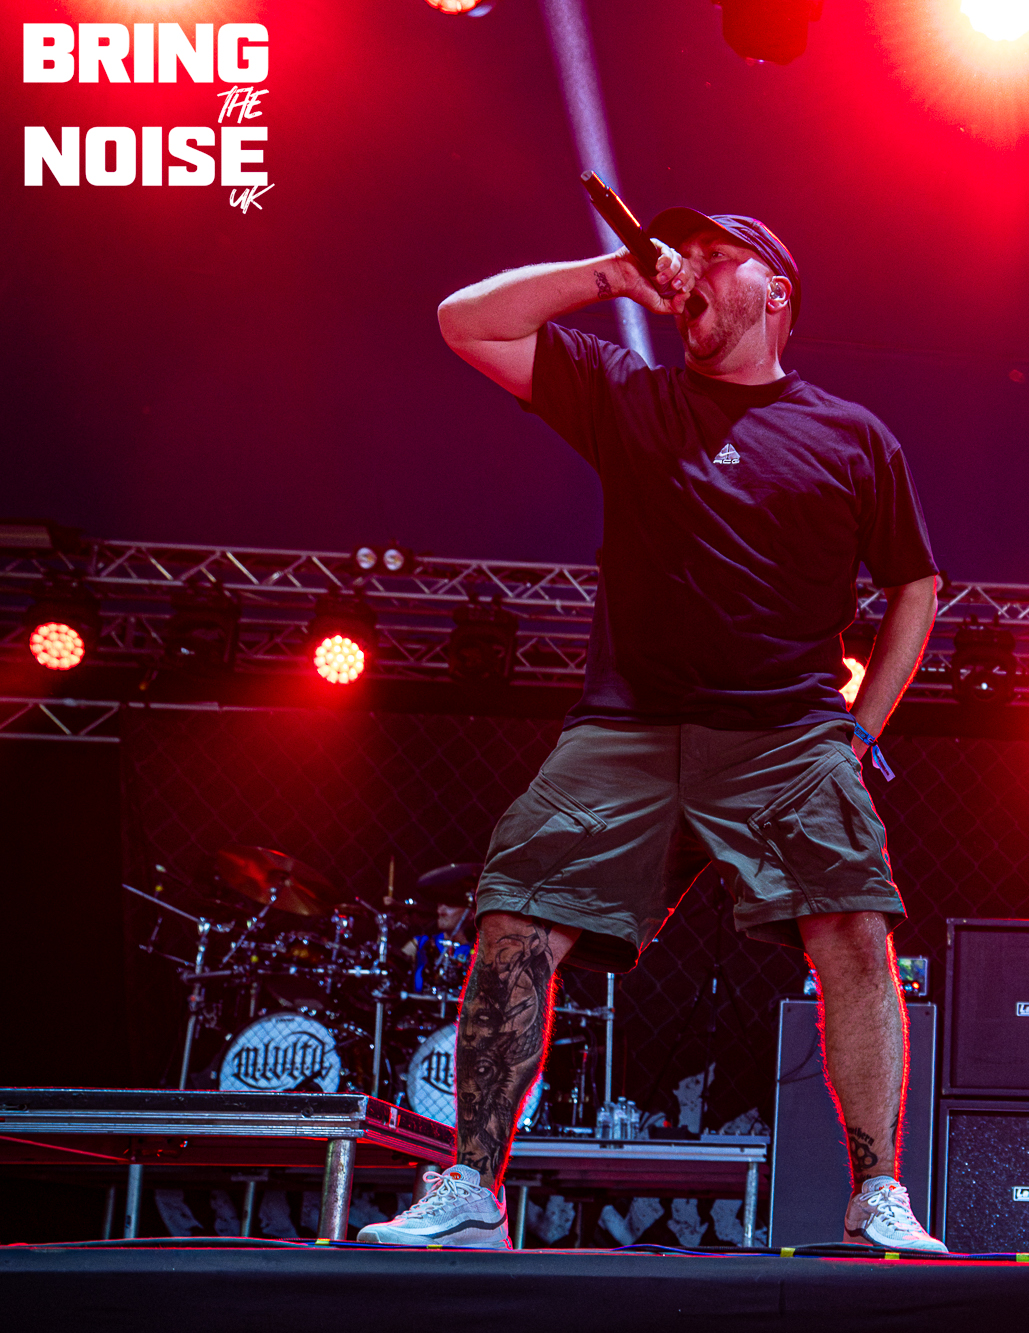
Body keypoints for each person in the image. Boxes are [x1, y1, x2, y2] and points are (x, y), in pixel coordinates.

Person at [358, 208, 944, 1252]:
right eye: (686, 256)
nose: (692, 272)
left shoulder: (853, 435)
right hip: (625, 729)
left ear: (777, 292)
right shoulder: (630, 393)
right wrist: (610, 276)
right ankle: (471, 1190)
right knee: (514, 918)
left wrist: (858, 733)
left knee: (855, 927)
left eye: (719, 257)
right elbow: (463, 320)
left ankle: (878, 1196)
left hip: (787, 733)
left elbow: (916, 585)